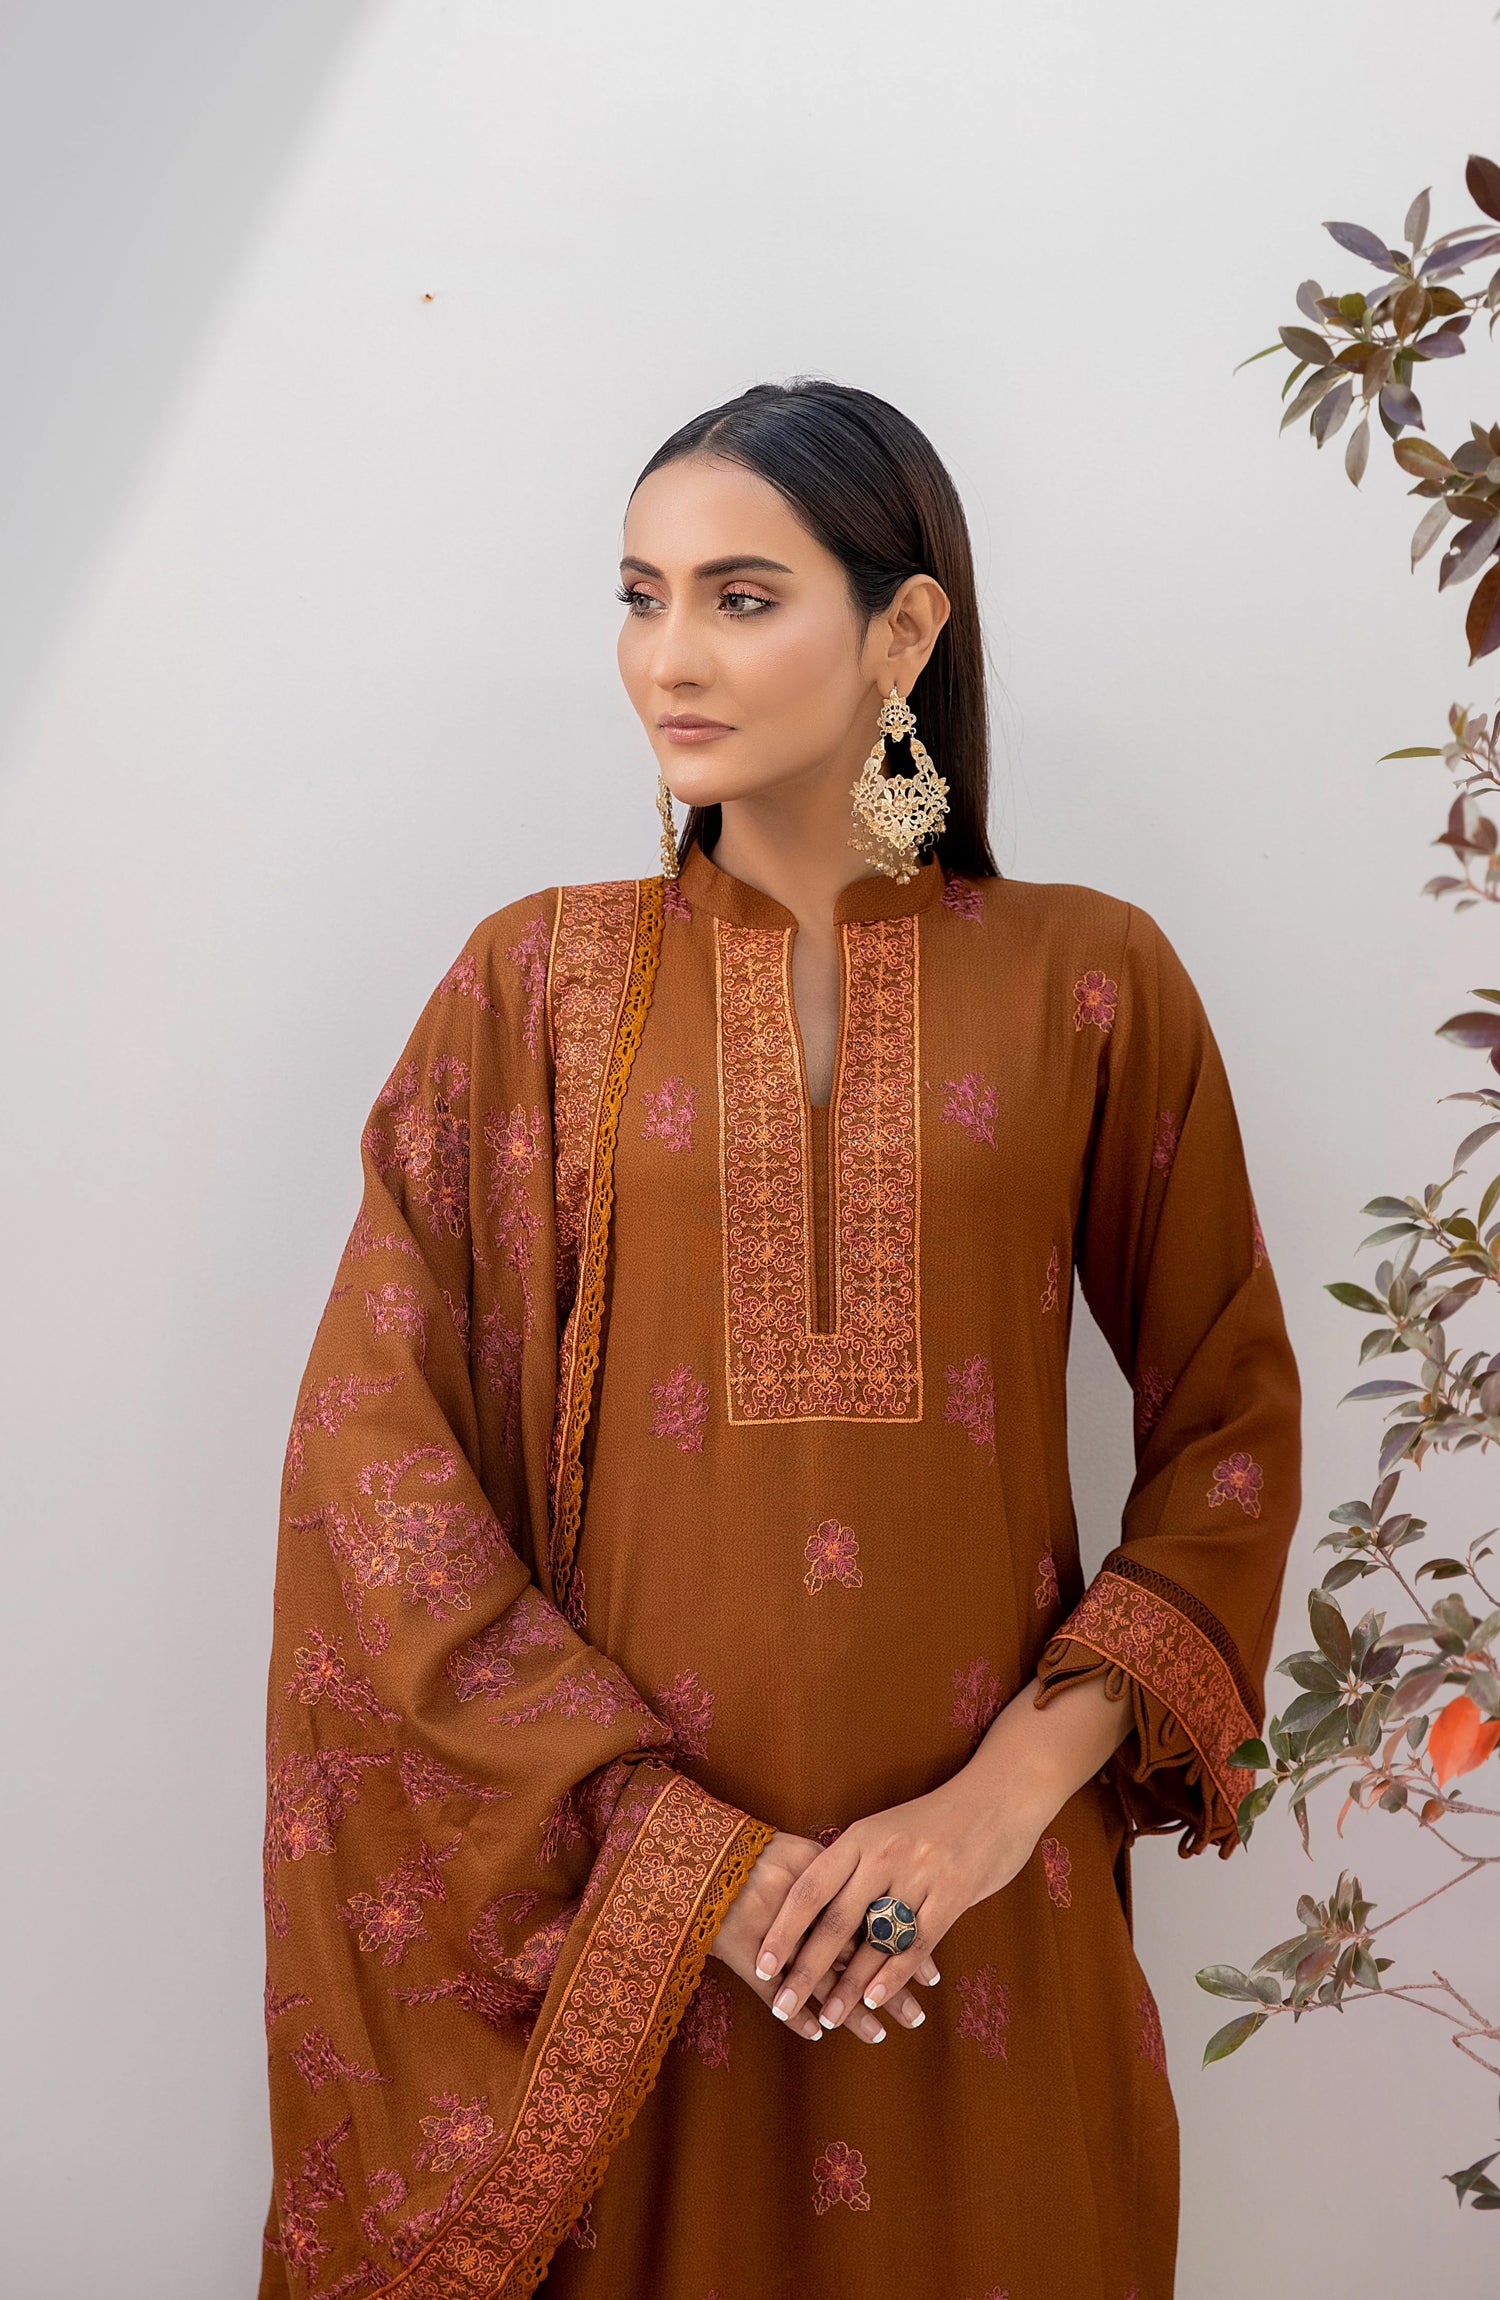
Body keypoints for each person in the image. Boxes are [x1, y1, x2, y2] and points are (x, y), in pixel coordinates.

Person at [259, 378, 1302, 2300]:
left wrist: (992, 1814)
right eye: (640, 595)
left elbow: (1228, 1434)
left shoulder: (1092, 979)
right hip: (633, 1935)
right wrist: (690, 1867)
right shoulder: (532, 983)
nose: (670, 656)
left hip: (989, 1925)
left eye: (742, 598)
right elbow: (376, 1470)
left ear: (904, 631)